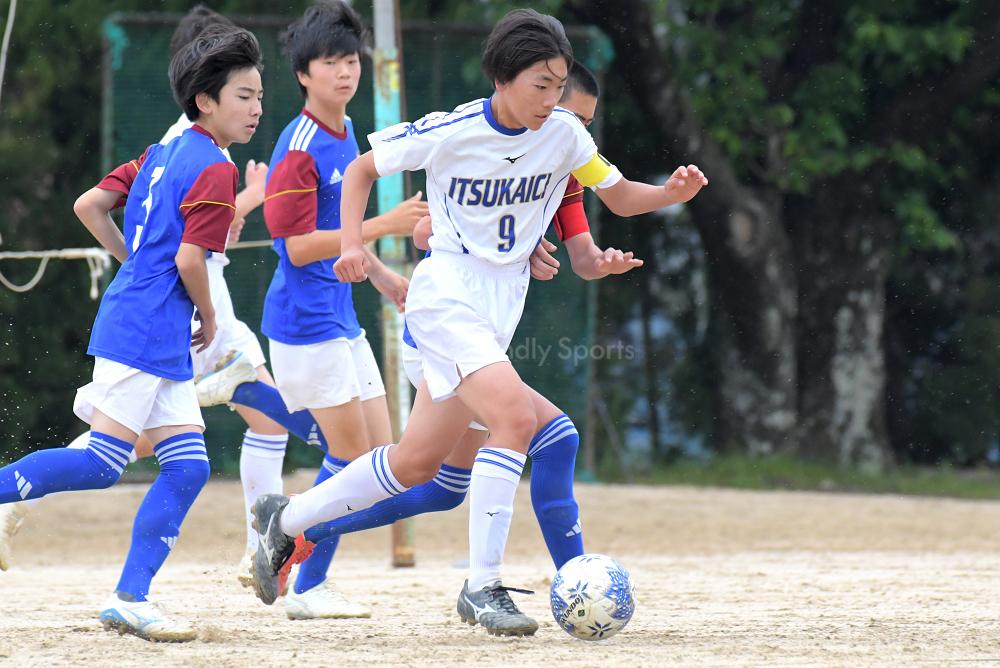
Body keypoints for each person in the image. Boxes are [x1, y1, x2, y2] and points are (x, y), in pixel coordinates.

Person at [250, 8, 707, 638]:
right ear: (502, 77)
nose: (551, 99)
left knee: (417, 465)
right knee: (517, 420)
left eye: (558, 84)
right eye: (539, 86)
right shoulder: (455, 129)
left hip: (496, 312)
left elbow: (619, 193)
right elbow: (360, 170)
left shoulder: (568, 135)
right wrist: (353, 243)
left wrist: (667, 196)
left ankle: (288, 520)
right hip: (443, 298)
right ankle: (481, 585)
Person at [0, 6, 329, 590]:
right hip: (152, 325)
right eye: (244, 96)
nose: (256, 108)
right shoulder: (212, 164)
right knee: (102, 464)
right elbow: (188, 258)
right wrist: (202, 309)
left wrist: (134, 264)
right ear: (205, 100)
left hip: (154, 321)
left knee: (187, 466)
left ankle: (130, 598)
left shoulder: (161, 150)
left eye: (259, 96)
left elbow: (88, 205)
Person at [253, 0, 424, 620]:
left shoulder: (349, 130)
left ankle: (292, 544)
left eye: (351, 60)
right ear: (304, 74)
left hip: (341, 313)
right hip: (304, 320)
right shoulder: (298, 147)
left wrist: (379, 274)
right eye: (331, 63)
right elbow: (296, 247)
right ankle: (305, 579)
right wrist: (386, 225)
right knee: (354, 460)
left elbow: (340, 227)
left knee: (389, 462)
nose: (345, 72)